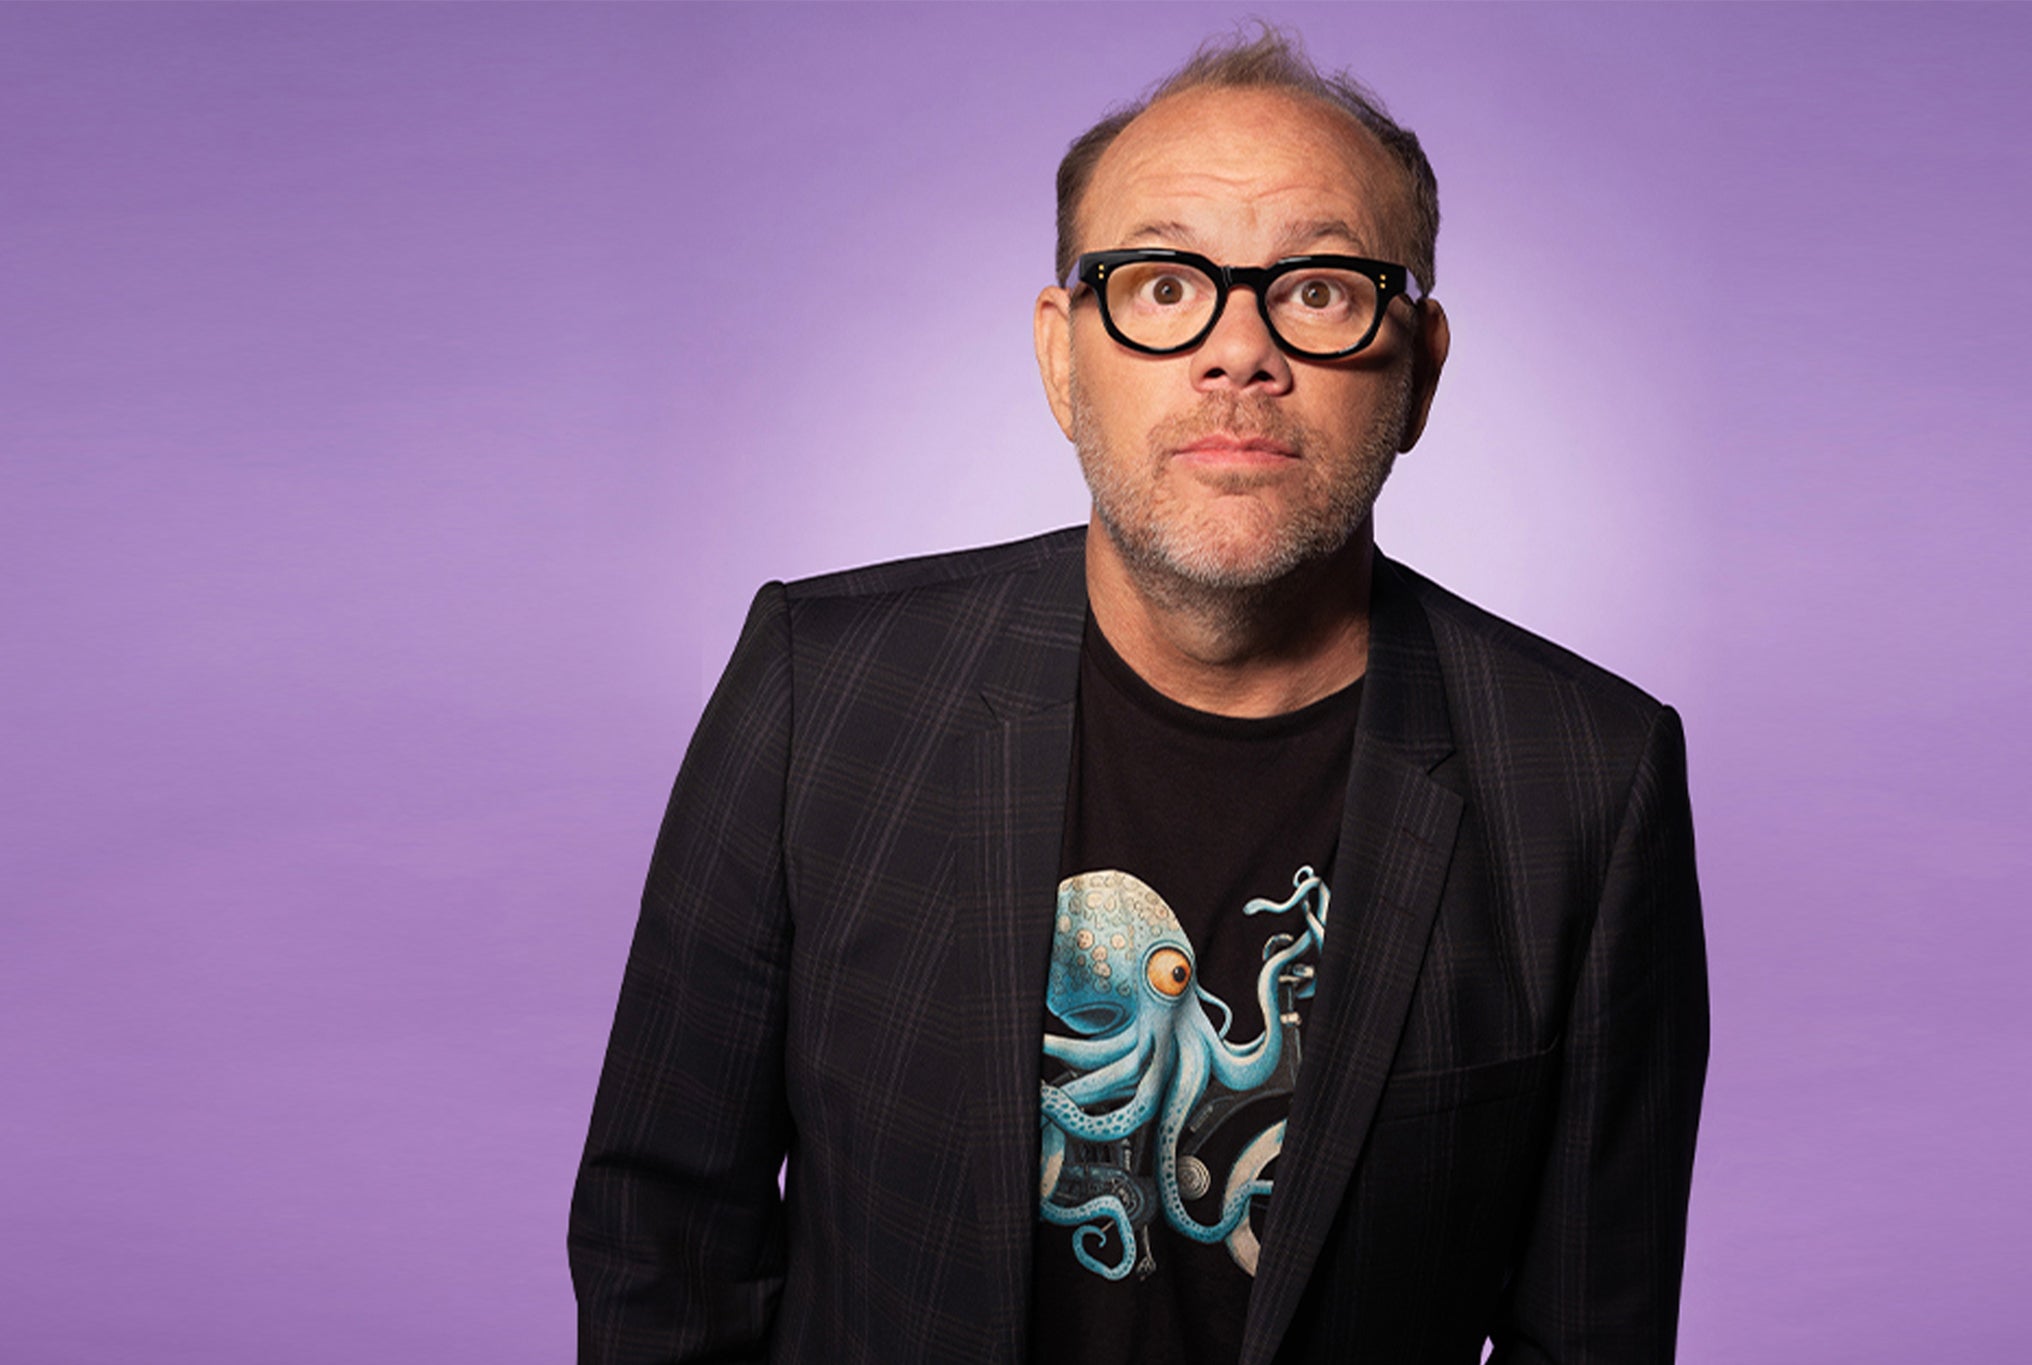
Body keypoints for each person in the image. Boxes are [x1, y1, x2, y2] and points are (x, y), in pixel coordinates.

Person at [571, 28, 1707, 1365]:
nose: (1239, 352)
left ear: (1420, 371)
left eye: (1320, 289)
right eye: (1164, 285)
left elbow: (1591, 1332)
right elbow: (666, 1236)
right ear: (1063, 359)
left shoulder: (1590, 782)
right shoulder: (819, 689)